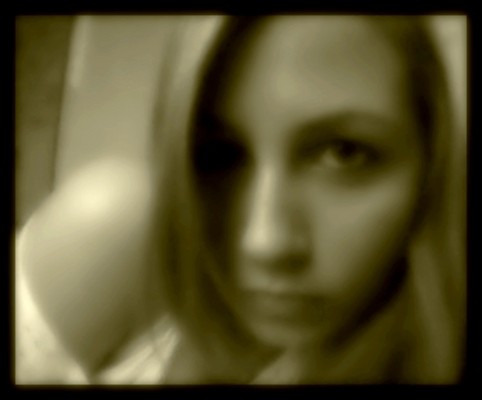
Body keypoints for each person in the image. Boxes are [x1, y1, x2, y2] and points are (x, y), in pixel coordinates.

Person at [17, 15, 466, 384]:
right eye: (219, 155)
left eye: (343, 154)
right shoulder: (116, 233)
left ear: (431, 165)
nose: (266, 243)